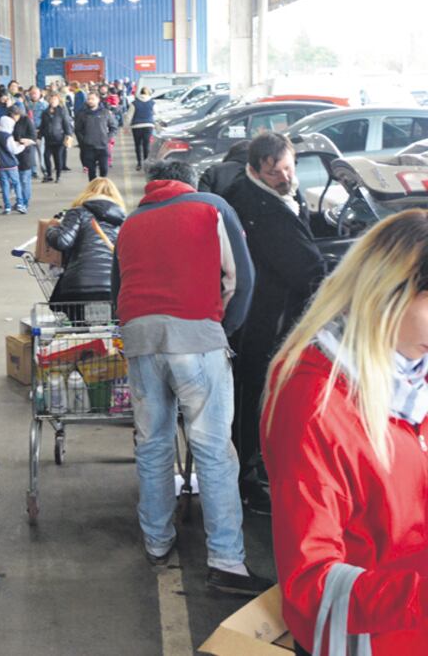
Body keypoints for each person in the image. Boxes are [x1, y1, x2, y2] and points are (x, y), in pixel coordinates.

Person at [262, 210, 428, 656]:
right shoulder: (314, 401)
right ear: (387, 293)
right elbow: (311, 587)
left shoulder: (413, 371)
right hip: (373, 640)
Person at [111, 160, 270, 596]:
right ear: (189, 181)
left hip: (141, 341)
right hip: (196, 337)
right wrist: (225, 329)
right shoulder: (211, 206)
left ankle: (157, 543)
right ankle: (226, 562)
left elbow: (117, 288)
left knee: (154, 444)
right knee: (214, 450)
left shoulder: (130, 223)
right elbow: (243, 276)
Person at [224, 133, 327, 515]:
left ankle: (253, 472)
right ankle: (250, 480)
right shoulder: (261, 208)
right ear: (255, 170)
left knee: (255, 398)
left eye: (288, 168)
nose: (284, 177)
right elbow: (304, 268)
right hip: (264, 320)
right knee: (257, 400)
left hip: (261, 315)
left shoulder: (269, 193)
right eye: (274, 173)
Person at [46, 177, 126, 311]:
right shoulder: (123, 219)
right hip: (112, 287)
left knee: (76, 325)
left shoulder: (78, 212)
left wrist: (51, 229)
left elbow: (62, 241)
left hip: (77, 286)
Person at [74, 92, 117, 180]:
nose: (90, 101)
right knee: (91, 172)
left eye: (92, 99)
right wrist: (83, 141)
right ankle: (93, 190)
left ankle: (102, 189)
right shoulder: (82, 114)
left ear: (98, 100)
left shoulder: (105, 113)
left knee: (104, 170)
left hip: (103, 146)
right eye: (88, 99)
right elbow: (77, 130)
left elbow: (113, 127)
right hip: (89, 148)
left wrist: (107, 139)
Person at [0, 115, 25, 215]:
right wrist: (23, 146)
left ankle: (7, 207)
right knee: (16, 184)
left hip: (0, 165)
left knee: (4, 186)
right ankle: (20, 204)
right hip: (11, 164)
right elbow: (14, 150)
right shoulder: (7, 136)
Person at [38, 92, 73, 183]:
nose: (53, 101)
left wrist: (68, 135)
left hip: (59, 139)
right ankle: (49, 175)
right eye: (51, 99)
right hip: (48, 139)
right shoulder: (45, 112)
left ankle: (58, 175)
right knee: (46, 157)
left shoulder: (62, 111)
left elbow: (66, 124)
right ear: (49, 100)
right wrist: (39, 135)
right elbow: (43, 125)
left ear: (58, 101)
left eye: (55, 99)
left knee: (58, 158)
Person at [11, 104, 37, 213]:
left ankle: (24, 203)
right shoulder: (11, 122)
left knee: (25, 180)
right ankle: (20, 201)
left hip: (26, 154)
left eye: (14, 116)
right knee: (18, 181)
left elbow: (33, 137)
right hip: (16, 154)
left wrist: (21, 141)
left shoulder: (26, 121)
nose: (13, 118)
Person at [127, 87, 156, 170]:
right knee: (146, 145)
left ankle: (139, 163)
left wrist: (126, 127)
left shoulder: (134, 103)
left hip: (136, 126)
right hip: (149, 125)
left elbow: (129, 116)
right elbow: (156, 114)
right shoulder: (152, 103)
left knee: (137, 144)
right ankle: (146, 163)